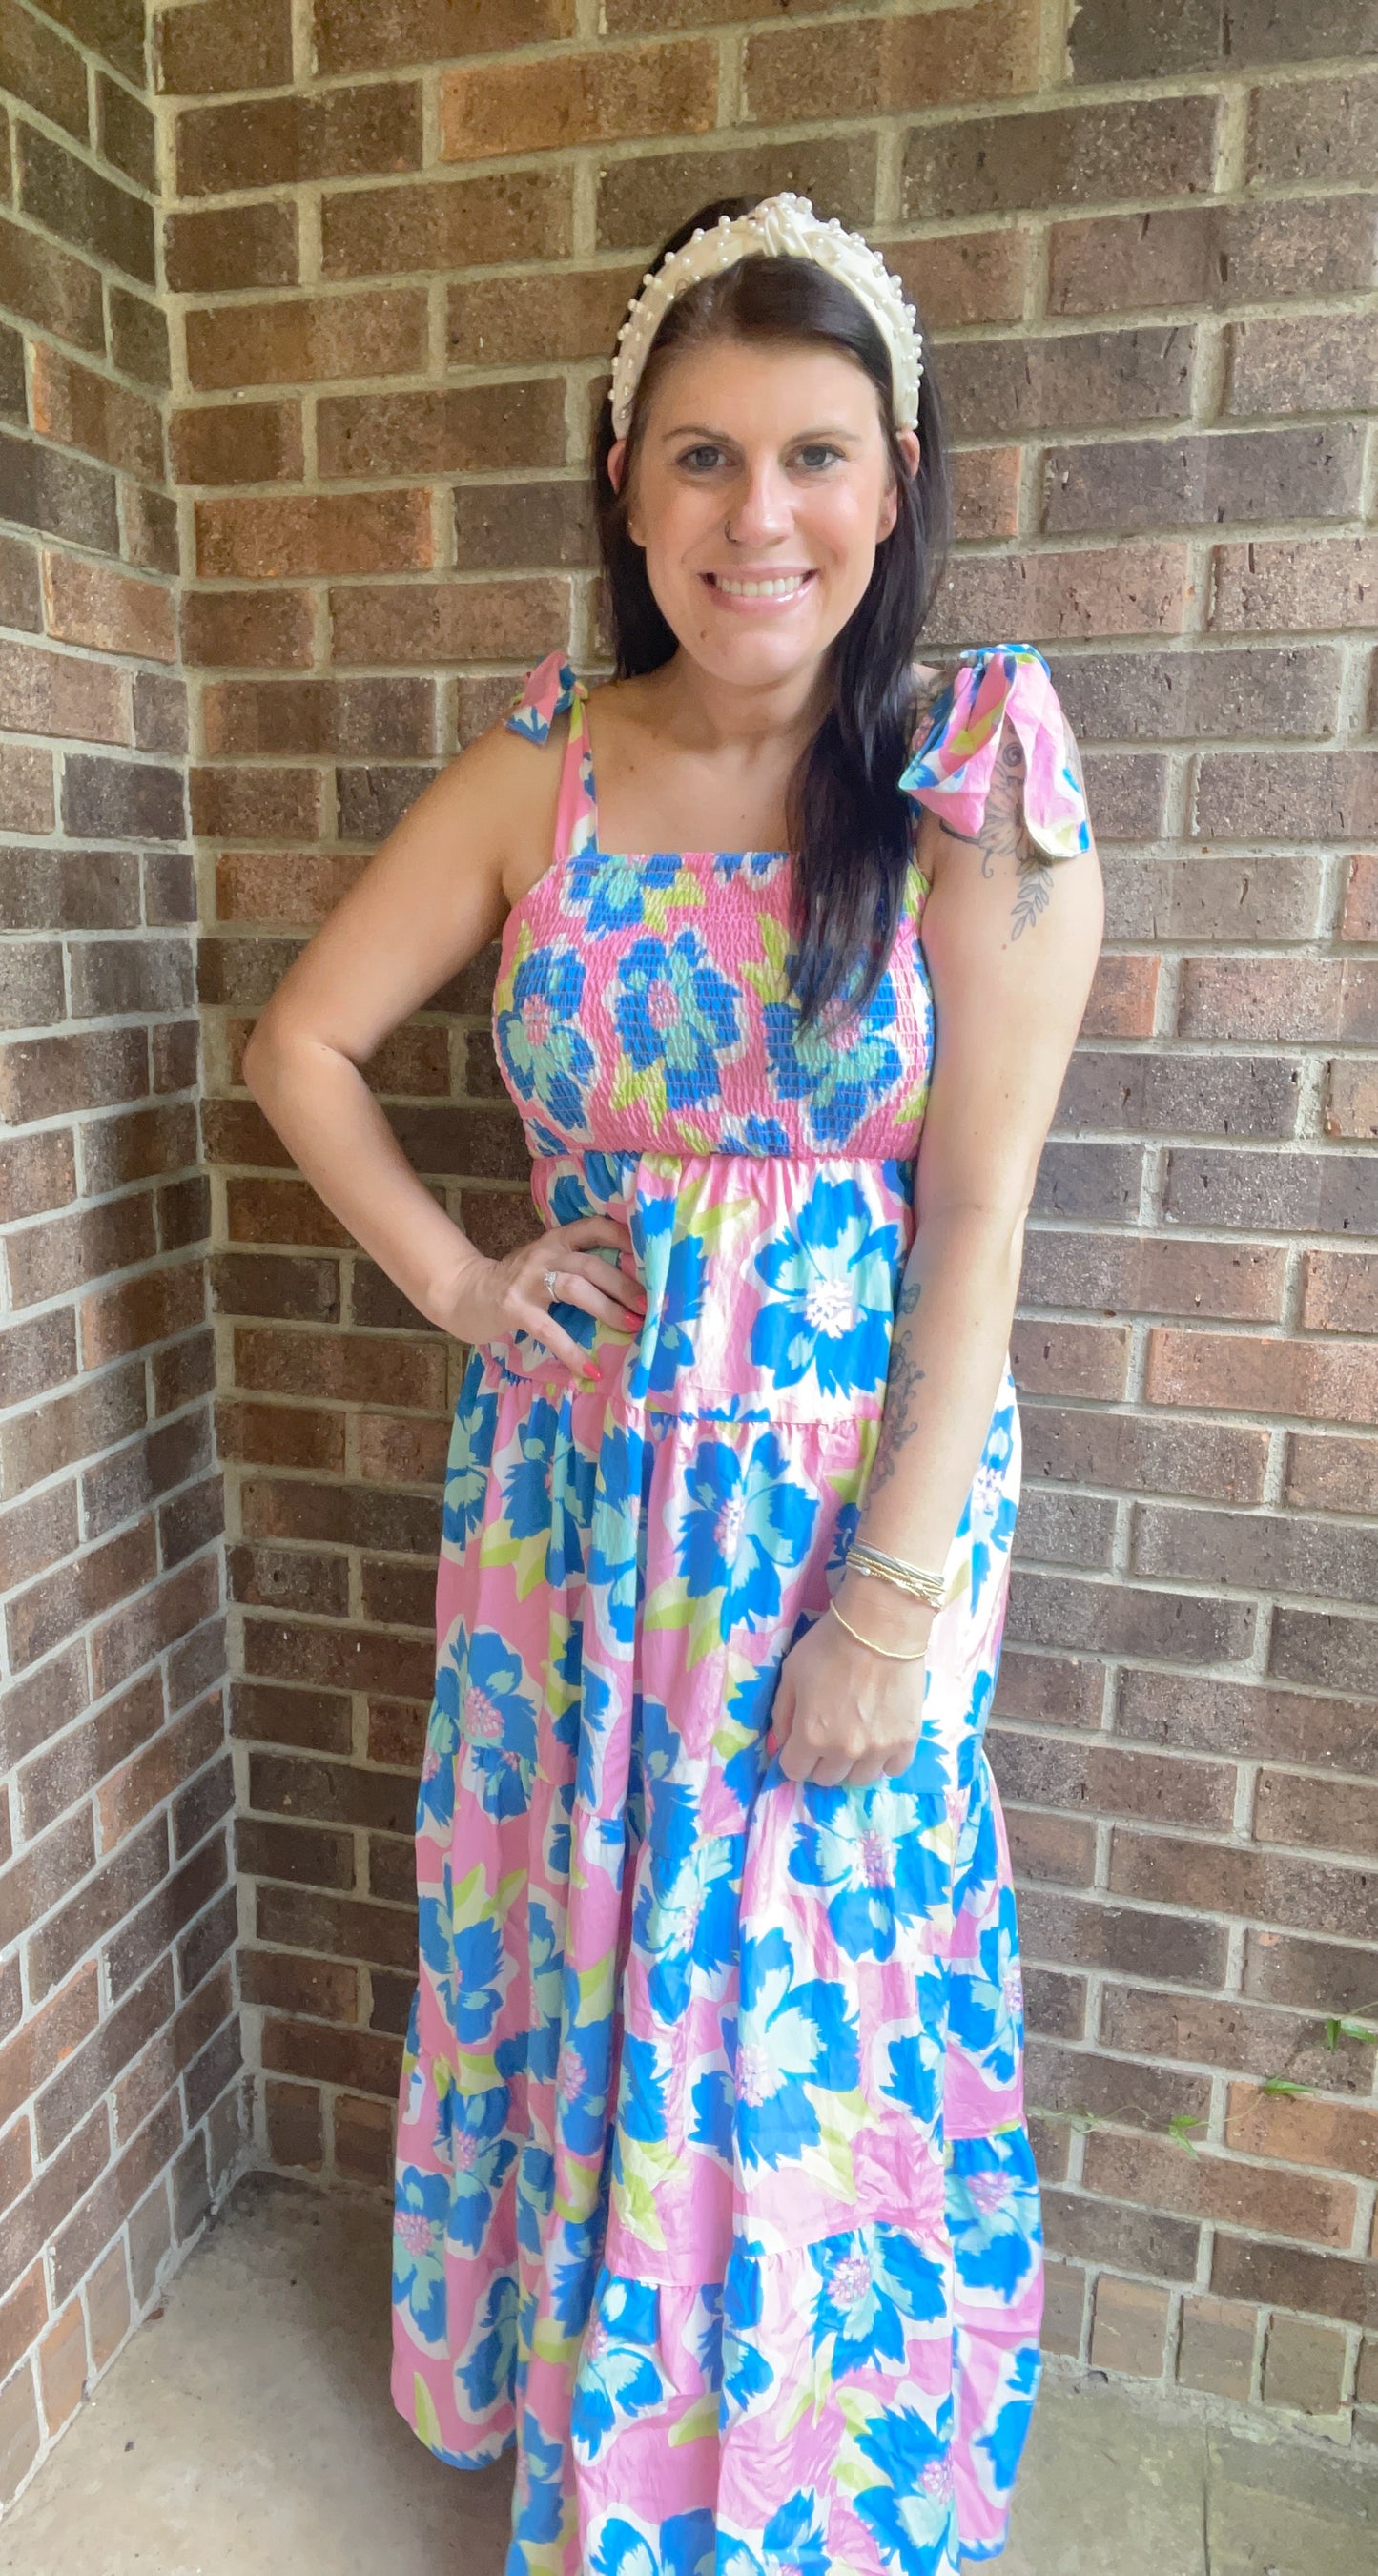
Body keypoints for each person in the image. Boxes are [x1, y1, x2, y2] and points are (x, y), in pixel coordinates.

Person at [242, 192, 1103, 2576]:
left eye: (815, 454)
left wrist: (891, 1597)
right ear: (625, 488)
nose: (760, 516)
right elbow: (302, 1045)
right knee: (588, 1936)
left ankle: (797, 2493)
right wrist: (459, 1282)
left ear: (897, 482)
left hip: (842, 1509)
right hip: (572, 1499)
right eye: (703, 457)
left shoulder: (970, 774)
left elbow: (979, 1223)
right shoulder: (545, 772)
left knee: (805, 1990)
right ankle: (601, 2447)